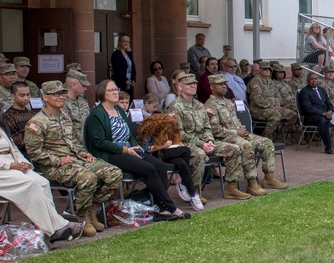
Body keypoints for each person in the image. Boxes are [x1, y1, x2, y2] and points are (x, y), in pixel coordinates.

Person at [0, 90, 84, 243]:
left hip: (11, 167)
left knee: (42, 182)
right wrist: (11, 165)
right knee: (30, 184)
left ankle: (49, 226)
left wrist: (23, 164)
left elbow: (14, 150)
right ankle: (54, 227)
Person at [24, 81, 122, 237]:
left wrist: (83, 153)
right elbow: (34, 152)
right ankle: (82, 217)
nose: (61, 97)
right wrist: (59, 160)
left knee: (114, 173)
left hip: (76, 160)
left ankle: (91, 208)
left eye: (62, 93)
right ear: (45, 97)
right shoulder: (37, 122)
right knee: (88, 178)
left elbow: (74, 141)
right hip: (55, 166)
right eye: (56, 94)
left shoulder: (64, 115)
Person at [85, 80, 188, 221]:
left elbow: (129, 134)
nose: (116, 92)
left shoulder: (120, 110)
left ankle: (159, 207)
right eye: (111, 90)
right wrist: (126, 150)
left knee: (161, 166)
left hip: (129, 149)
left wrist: (136, 145)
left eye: (116, 89)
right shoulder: (96, 115)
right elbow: (100, 142)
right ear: (102, 93)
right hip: (111, 153)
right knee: (149, 169)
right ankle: (170, 208)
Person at [166, 73, 248, 200]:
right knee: (199, 154)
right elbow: (178, 134)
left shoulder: (199, 105)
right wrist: (201, 144)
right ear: (180, 87)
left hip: (205, 142)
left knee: (234, 149)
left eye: (194, 83)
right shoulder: (175, 107)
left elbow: (207, 127)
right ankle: (195, 191)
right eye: (189, 84)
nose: (193, 85)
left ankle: (231, 188)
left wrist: (209, 140)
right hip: (187, 144)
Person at [206, 73, 287, 191]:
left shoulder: (228, 102)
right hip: (224, 138)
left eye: (224, 84)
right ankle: (252, 182)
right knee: (246, 146)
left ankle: (269, 178)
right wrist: (236, 132)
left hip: (238, 134)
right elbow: (215, 130)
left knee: (266, 142)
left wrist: (242, 131)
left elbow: (236, 121)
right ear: (212, 87)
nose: (224, 86)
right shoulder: (210, 104)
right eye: (220, 84)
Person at [135, 113, 205, 211]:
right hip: (154, 155)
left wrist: (176, 144)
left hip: (166, 153)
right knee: (186, 151)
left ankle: (192, 193)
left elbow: (173, 141)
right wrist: (163, 146)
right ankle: (183, 183)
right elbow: (145, 149)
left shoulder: (167, 130)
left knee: (182, 163)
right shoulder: (148, 131)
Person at [298, 71, 334, 154]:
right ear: (307, 81)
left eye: (315, 79)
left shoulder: (321, 90)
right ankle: (327, 146)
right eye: (311, 79)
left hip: (327, 114)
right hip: (312, 116)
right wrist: (324, 114)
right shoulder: (304, 92)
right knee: (322, 121)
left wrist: (331, 111)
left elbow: (329, 103)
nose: (314, 81)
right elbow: (308, 108)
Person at [0, 81, 36, 153]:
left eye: (28, 95)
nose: (26, 98)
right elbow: (18, 142)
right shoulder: (8, 117)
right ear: (12, 96)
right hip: (22, 153)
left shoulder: (33, 114)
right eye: (22, 95)